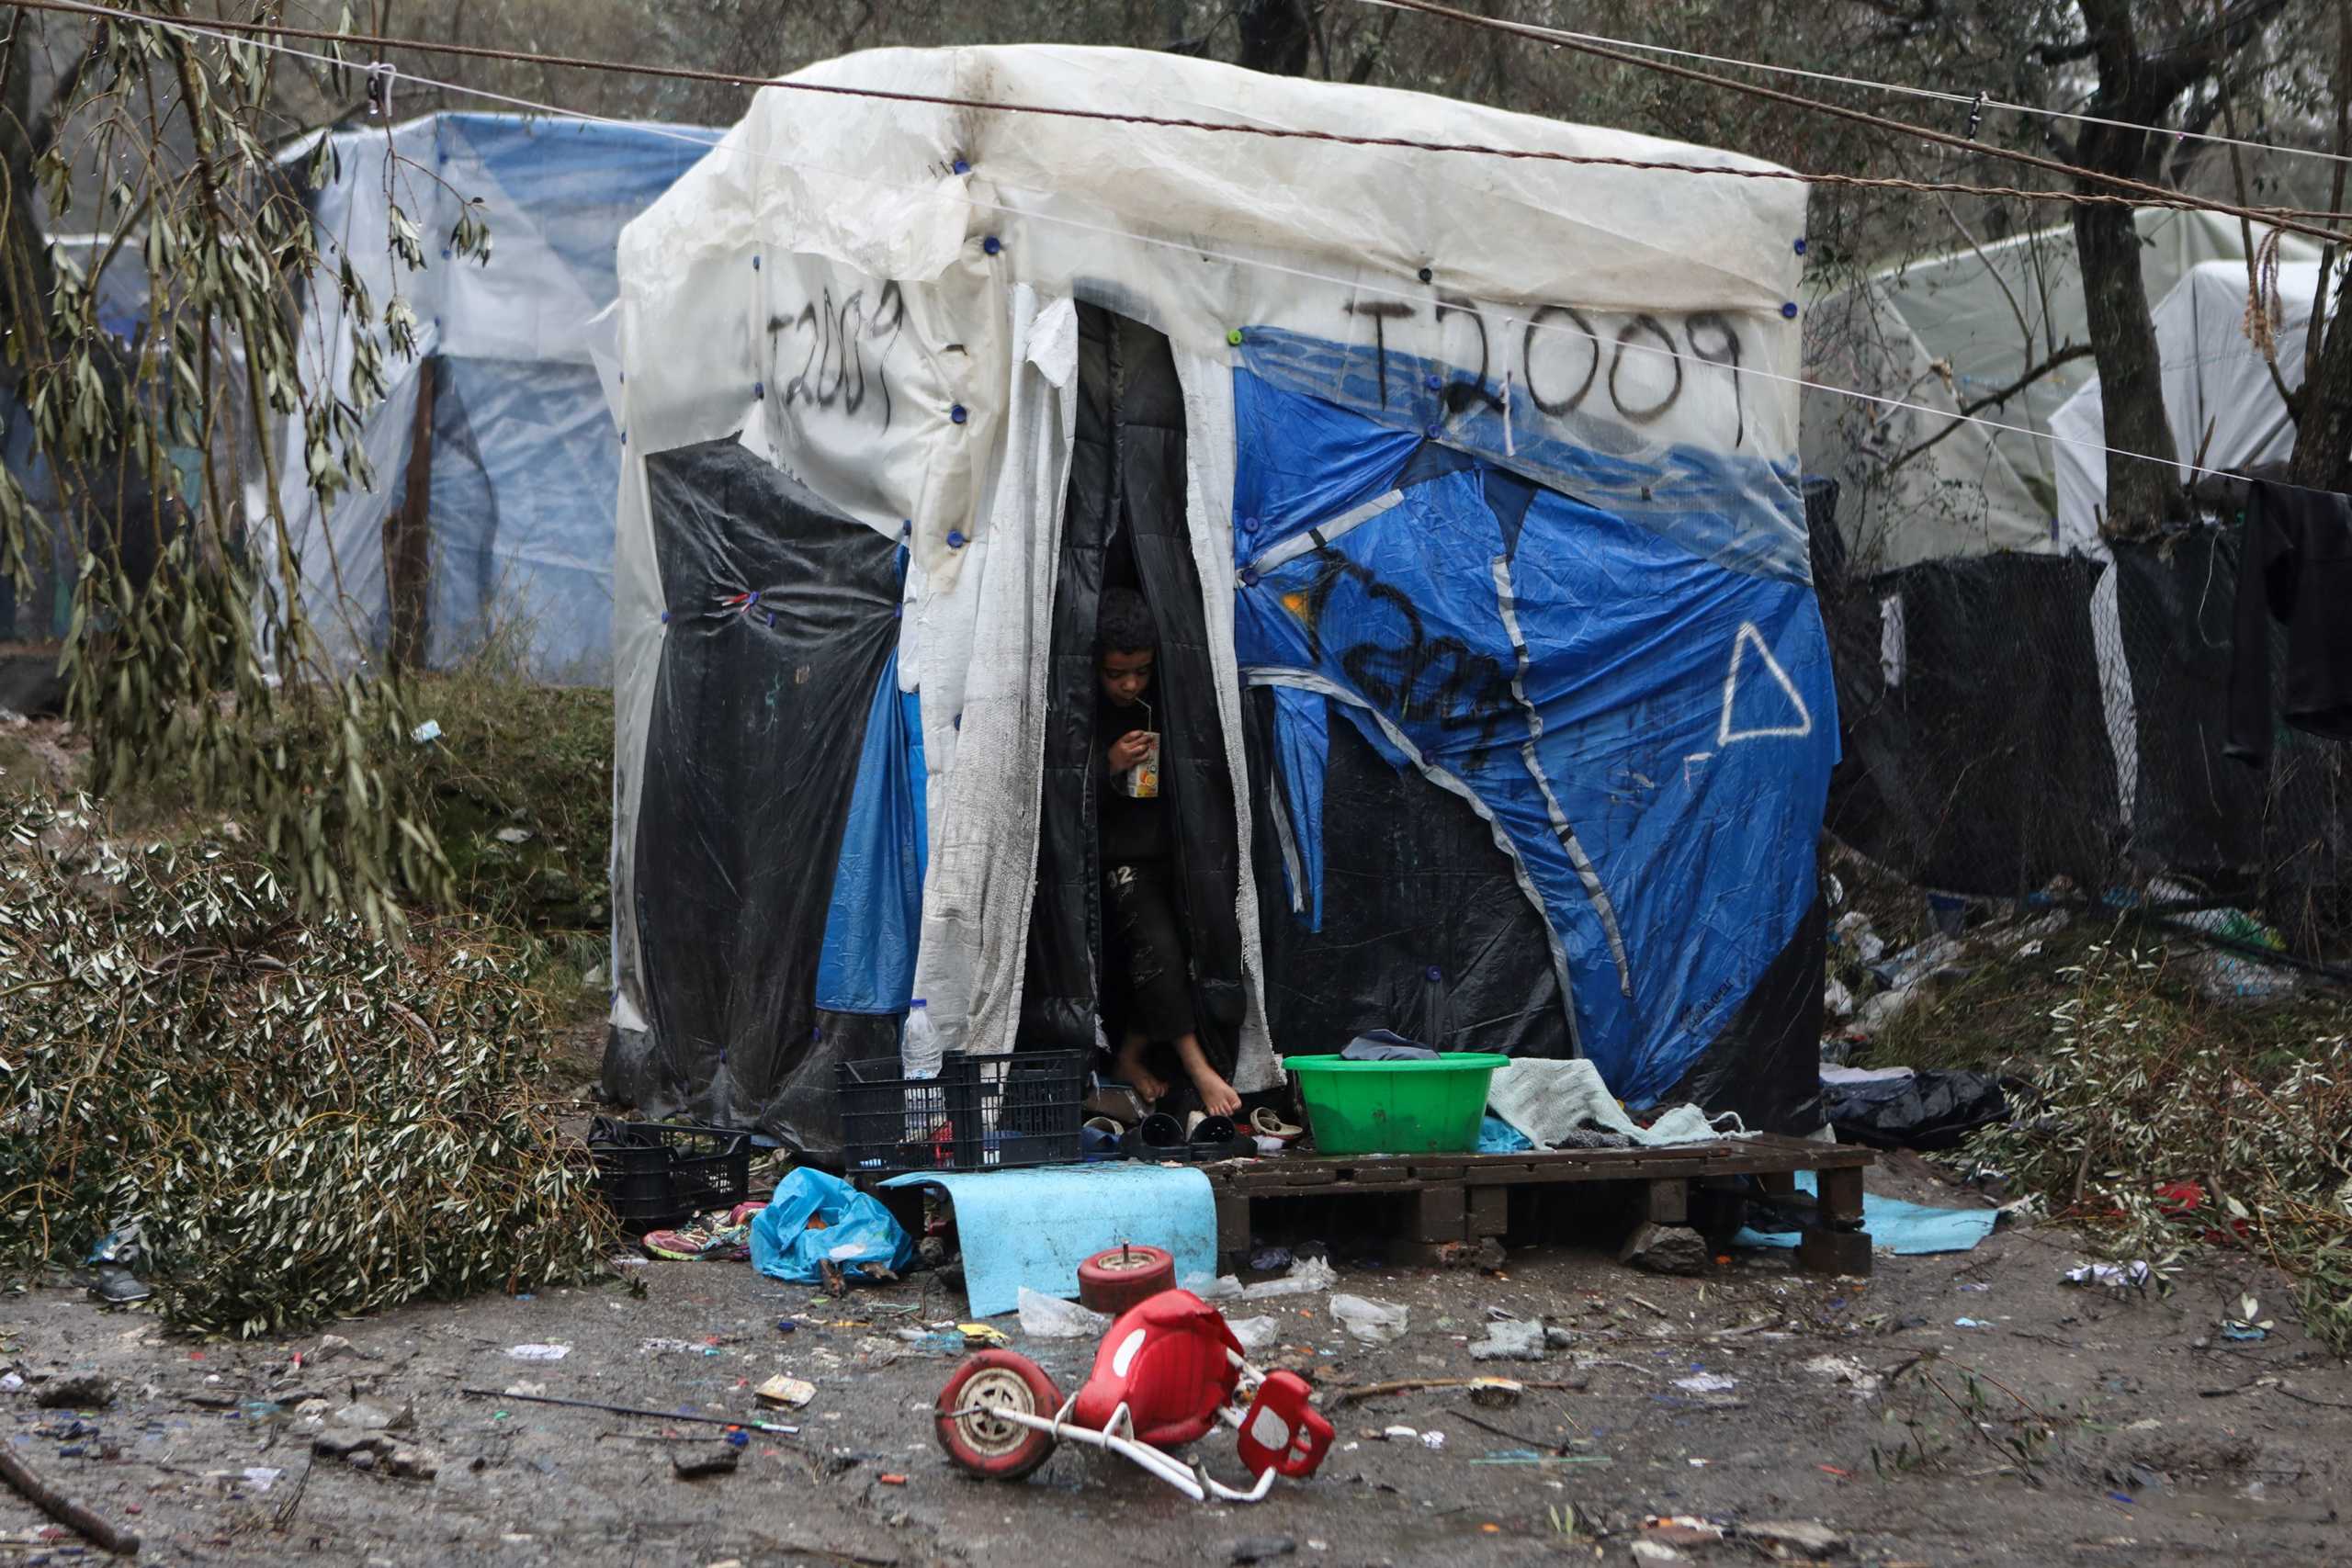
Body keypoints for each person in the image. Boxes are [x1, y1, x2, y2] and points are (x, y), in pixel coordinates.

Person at [1095, 586, 1242, 1117]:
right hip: (1116, 860)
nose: (1130, 684)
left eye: (1140, 670)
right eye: (1116, 674)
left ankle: (1130, 1056)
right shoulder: (1080, 707)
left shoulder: (1169, 697)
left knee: (1174, 952)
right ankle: (1199, 1067)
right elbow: (1050, 786)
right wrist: (1107, 764)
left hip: (1172, 851)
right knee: (1156, 950)